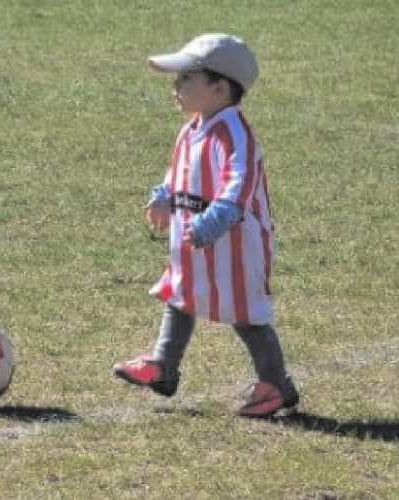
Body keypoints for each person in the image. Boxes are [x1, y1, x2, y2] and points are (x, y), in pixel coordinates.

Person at [112, 33, 299, 417]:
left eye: (185, 79)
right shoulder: (191, 130)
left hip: (235, 248)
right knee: (180, 299)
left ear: (219, 89)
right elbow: (177, 174)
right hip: (192, 243)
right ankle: (164, 367)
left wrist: (215, 220)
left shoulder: (235, 134)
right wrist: (163, 195)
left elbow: (239, 184)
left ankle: (277, 385)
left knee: (247, 316)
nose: (175, 86)